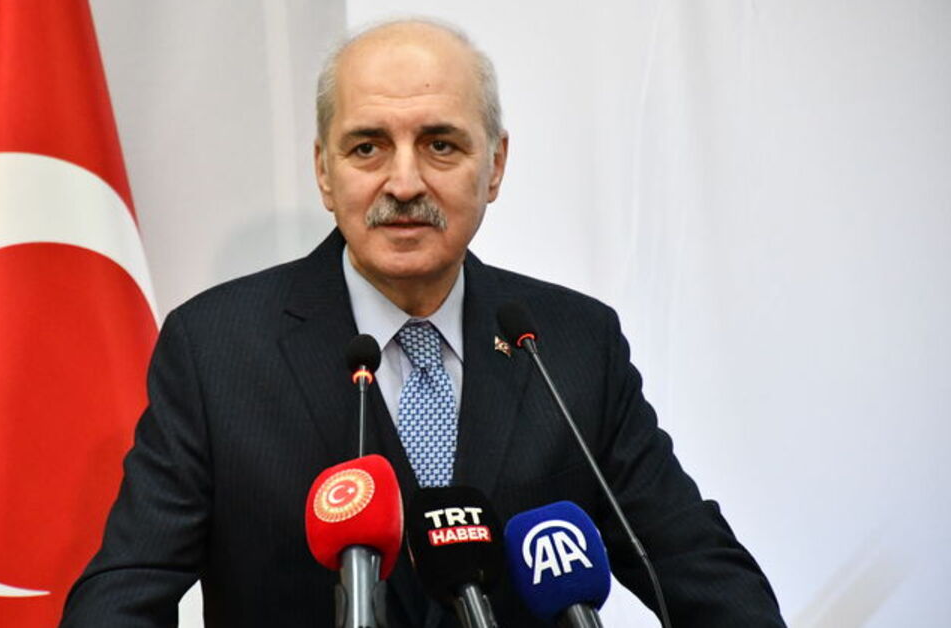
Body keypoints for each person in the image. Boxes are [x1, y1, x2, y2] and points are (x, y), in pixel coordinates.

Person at [61, 19, 785, 627]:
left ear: (494, 166)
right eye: (367, 147)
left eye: (441, 144)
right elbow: (121, 598)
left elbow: (697, 570)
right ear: (324, 171)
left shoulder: (572, 344)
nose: (404, 183)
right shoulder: (216, 349)